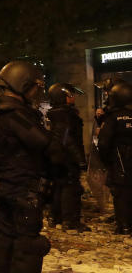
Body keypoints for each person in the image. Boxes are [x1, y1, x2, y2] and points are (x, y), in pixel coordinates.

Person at [0, 61, 63, 273]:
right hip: (23, 186)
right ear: (22, 85)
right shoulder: (16, 114)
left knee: (6, 237)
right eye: (34, 87)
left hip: (3, 184)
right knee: (29, 243)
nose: (37, 93)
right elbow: (45, 145)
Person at [46, 83, 88, 230]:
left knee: (59, 186)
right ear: (63, 96)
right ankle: (71, 221)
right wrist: (80, 159)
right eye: (70, 94)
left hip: (57, 157)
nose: (74, 97)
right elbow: (68, 138)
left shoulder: (55, 114)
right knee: (71, 187)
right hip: (67, 158)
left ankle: (55, 217)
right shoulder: (66, 115)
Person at [96, 80, 132, 235]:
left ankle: (124, 225)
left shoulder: (112, 118)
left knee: (121, 193)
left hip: (119, 160)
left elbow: (103, 143)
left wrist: (106, 161)